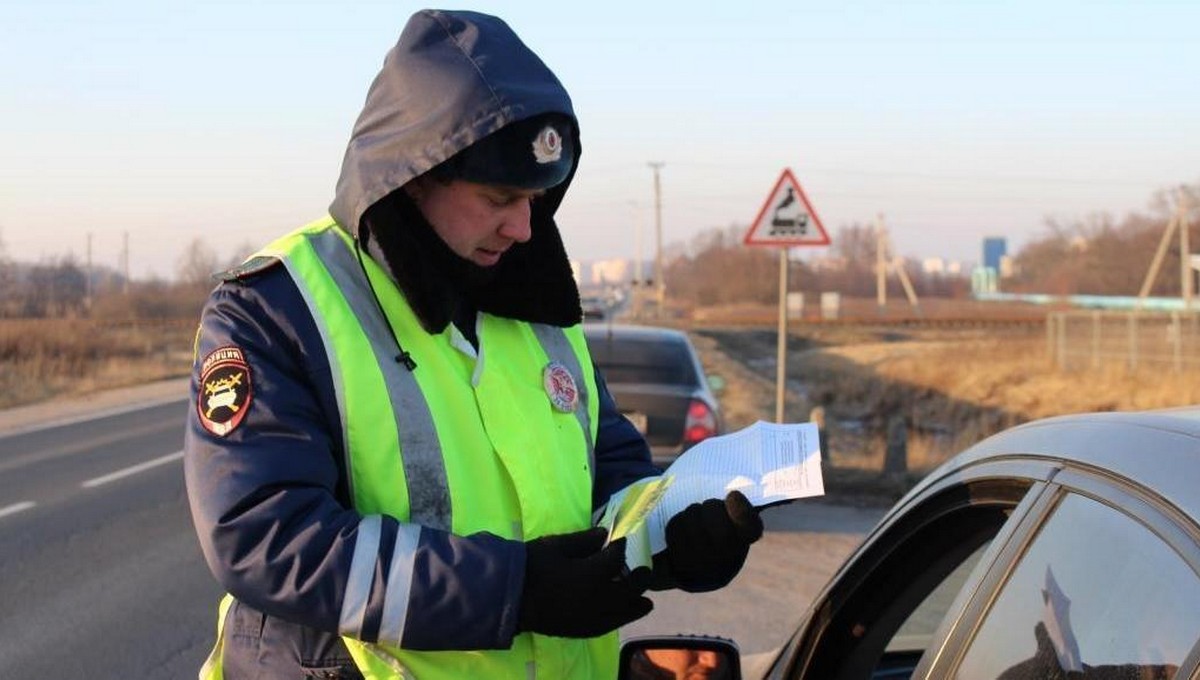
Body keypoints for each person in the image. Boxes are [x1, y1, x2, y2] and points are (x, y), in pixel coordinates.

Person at [184, 9, 762, 680]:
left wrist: (673, 535)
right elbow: (265, 534)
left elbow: (610, 472)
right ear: (413, 175)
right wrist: (514, 592)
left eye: (538, 198)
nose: (523, 227)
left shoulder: (536, 299)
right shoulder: (281, 306)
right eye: (499, 197)